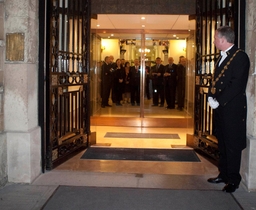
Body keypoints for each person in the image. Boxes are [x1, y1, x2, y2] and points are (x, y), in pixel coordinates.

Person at [207, 26, 250, 193]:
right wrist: (212, 96)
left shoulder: (240, 57)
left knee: (232, 145)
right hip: (221, 108)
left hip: (232, 109)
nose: (214, 41)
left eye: (215, 38)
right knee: (223, 143)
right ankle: (223, 174)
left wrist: (220, 101)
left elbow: (236, 85)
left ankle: (233, 179)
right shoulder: (222, 57)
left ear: (223, 40)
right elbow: (218, 82)